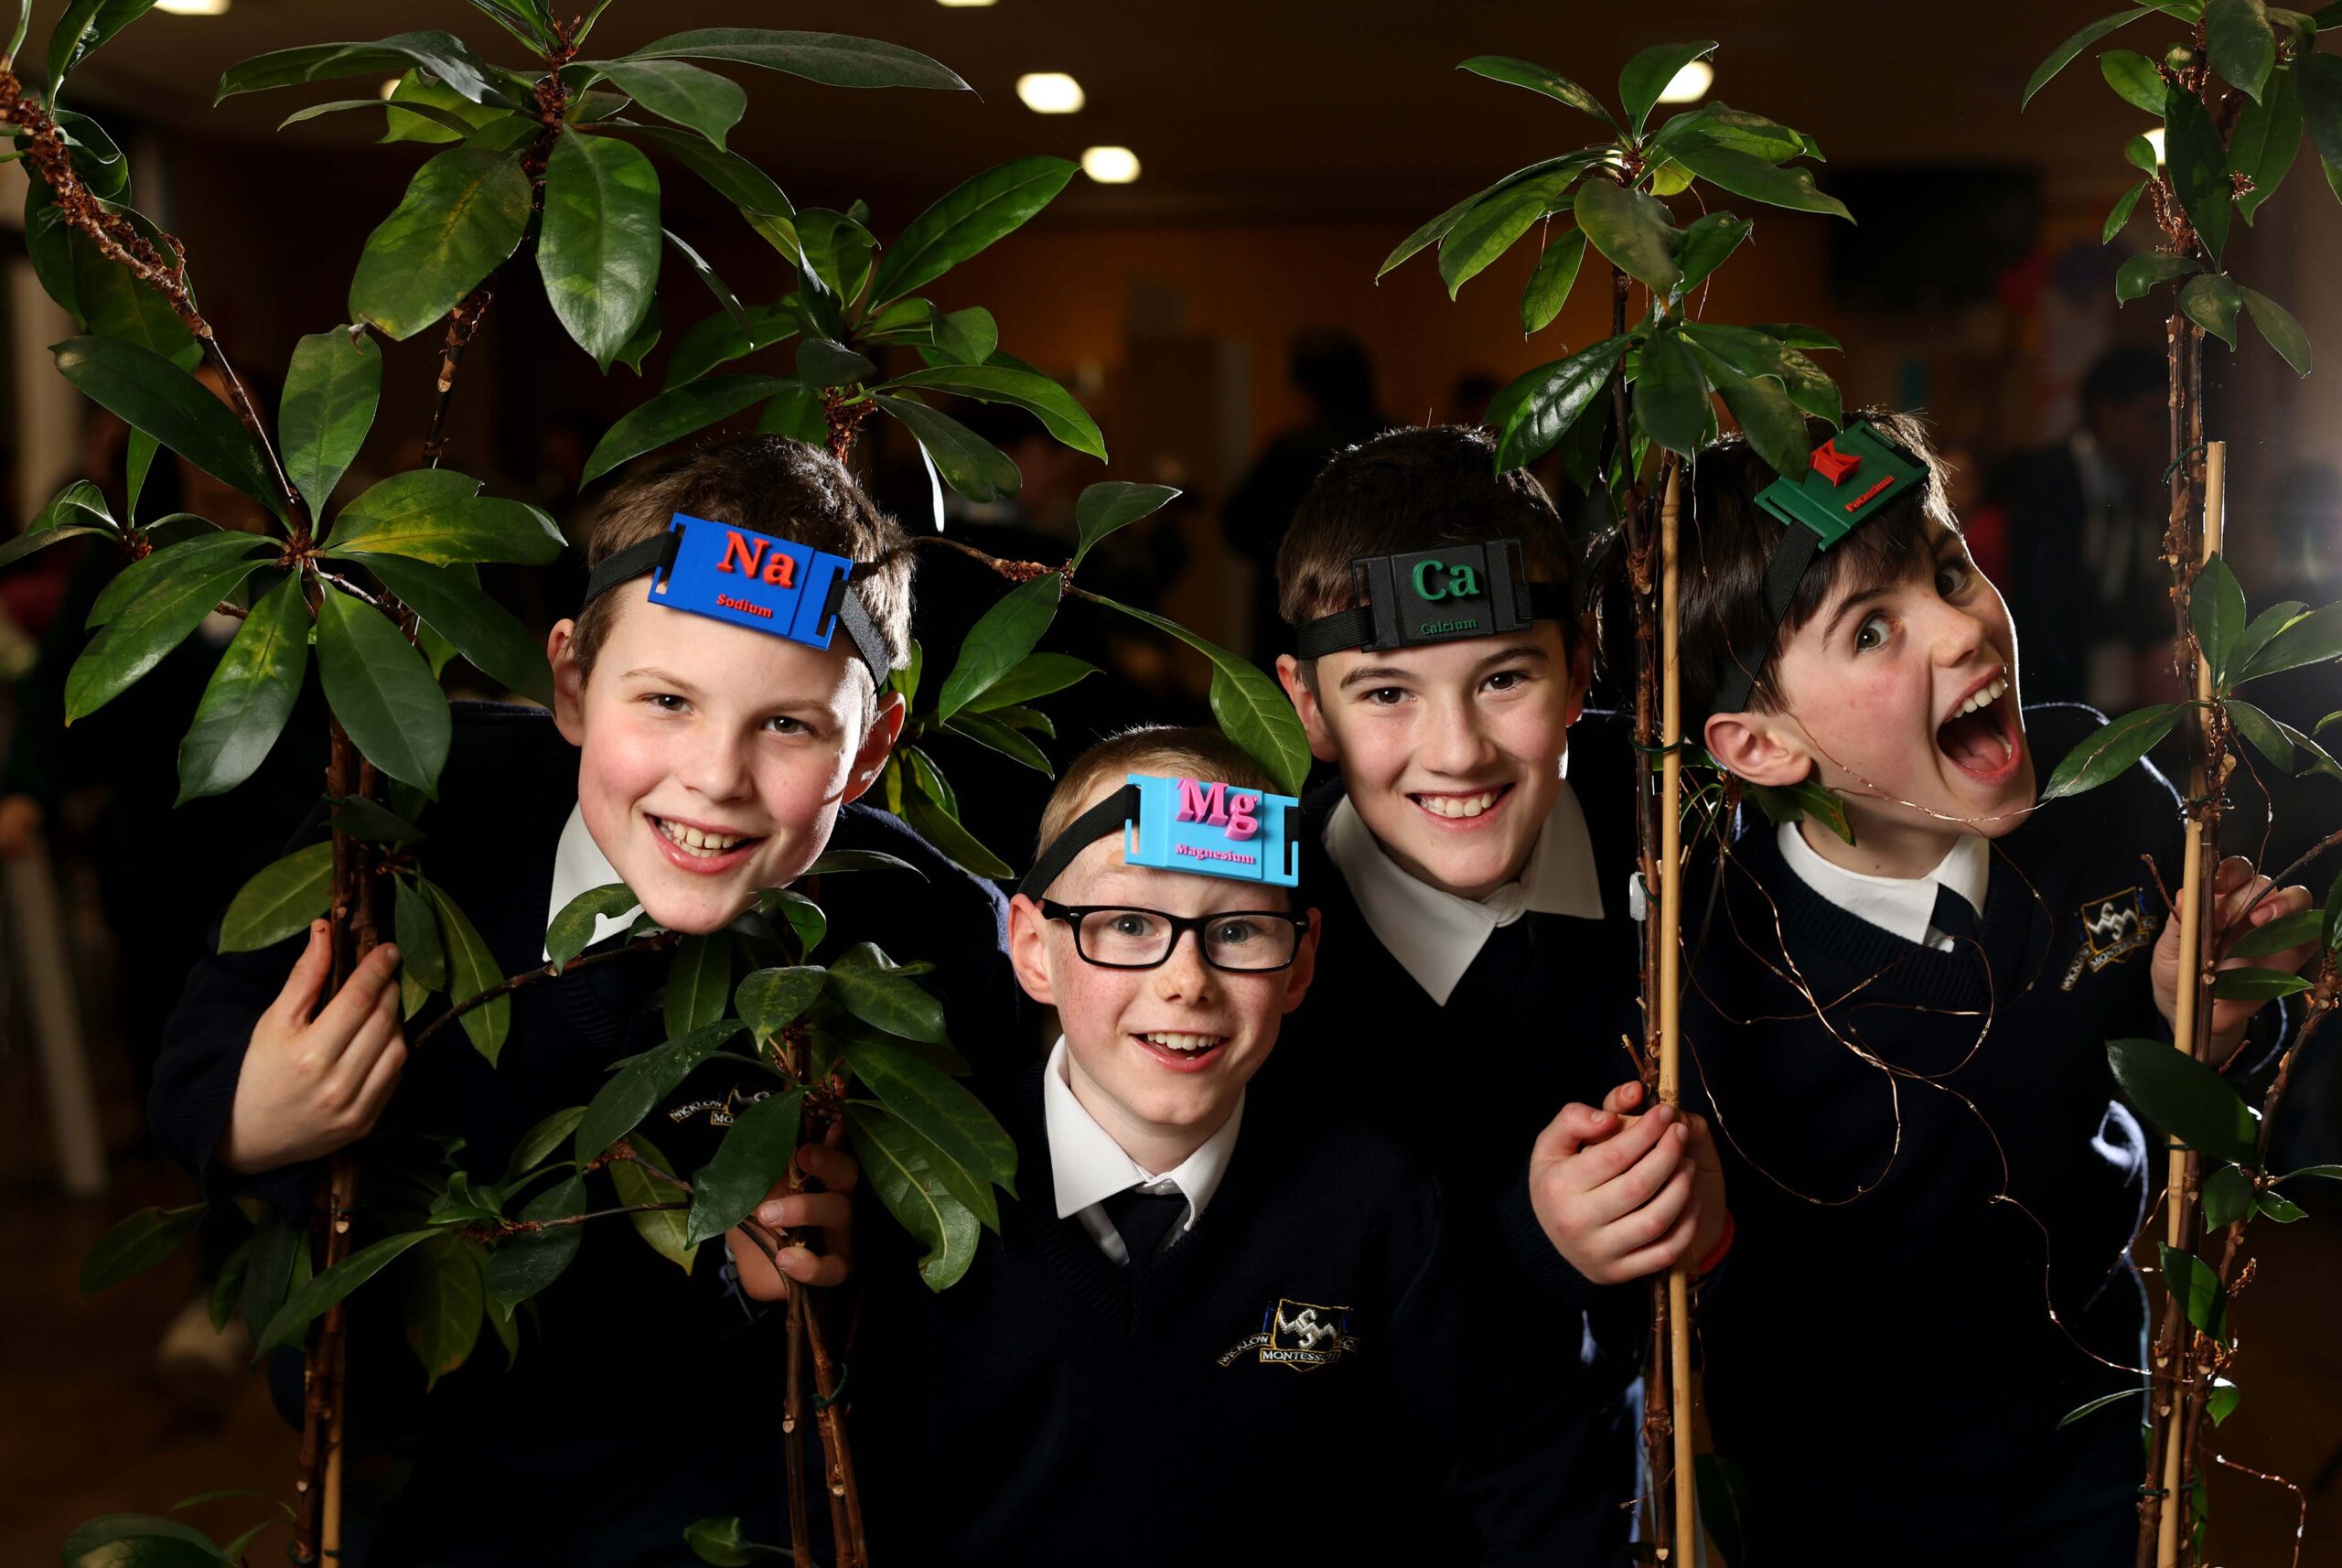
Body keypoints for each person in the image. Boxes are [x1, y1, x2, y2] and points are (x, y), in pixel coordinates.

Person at [147, 435, 1017, 1566]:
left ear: (868, 751)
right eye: (666, 699)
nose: (715, 776)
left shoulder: (933, 936)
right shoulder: (412, 812)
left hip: (743, 1510)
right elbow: (204, 1035)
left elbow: (987, 1305)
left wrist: (847, 1270)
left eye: (788, 724)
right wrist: (251, 1117)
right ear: (570, 684)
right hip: (435, 1485)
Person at [1677, 411, 2318, 1566]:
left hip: (2094, 1445)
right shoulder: (1718, 958)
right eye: (1871, 628)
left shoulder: (2105, 801)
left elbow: (2191, 1085)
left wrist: (2209, 1016)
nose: (1961, 627)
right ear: (1761, 745)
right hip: (1832, 1497)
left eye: (1946, 569)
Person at [775, 725, 1570, 1563]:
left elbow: (1517, 1490)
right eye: (1126, 923)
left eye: (1238, 931)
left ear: (1300, 963)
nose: (1186, 981)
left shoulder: (1379, 1206)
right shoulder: (906, 1182)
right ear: (1033, 948)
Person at [1267, 424, 1728, 1563]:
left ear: (1580, 663)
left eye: (1504, 678)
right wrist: (1528, 1243)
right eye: (1386, 692)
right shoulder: (1243, 948)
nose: (1457, 751)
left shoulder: (1694, 829)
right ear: (1307, 705)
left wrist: (1717, 1223)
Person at [1993, 344, 2170, 709]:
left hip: (2116, 682)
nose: (2161, 434)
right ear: (2107, 413)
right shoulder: (2050, 480)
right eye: (2151, 418)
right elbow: (2043, 598)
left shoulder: (2141, 483)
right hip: (2050, 684)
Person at [1223, 328, 1389, 660]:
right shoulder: (1394, 444)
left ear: (1303, 389)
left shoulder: (1289, 451)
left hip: (1295, 618)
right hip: (1385, 609)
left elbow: (1237, 527)